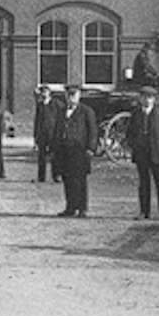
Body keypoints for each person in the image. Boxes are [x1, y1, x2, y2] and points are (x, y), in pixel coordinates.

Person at [125, 86, 159, 221]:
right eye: (144, 97)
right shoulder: (136, 114)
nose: (147, 100)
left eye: (150, 97)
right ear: (140, 99)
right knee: (143, 183)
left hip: (156, 153)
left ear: (154, 100)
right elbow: (129, 133)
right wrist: (133, 146)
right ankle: (144, 211)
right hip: (141, 153)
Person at [53, 84, 97, 218]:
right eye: (68, 95)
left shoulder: (86, 111)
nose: (71, 97)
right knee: (67, 179)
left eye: (74, 94)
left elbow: (93, 131)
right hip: (64, 150)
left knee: (80, 180)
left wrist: (90, 148)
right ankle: (70, 207)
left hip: (80, 150)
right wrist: (54, 148)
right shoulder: (61, 111)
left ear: (79, 95)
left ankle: (82, 208)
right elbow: (57, 130)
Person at [32, 85, 62, 183]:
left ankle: (56, 175)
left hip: (53, 133)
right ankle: (41, 177)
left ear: (49, 93)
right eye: (42, 92)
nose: (44, 94)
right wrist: (35, 136)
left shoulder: (56, 104)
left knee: (55, 156)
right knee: (41, 156)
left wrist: (59, 133)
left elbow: (60, 118)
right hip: (42, 134)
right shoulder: (40, 105)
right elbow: (37, 121)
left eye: (45, 92)